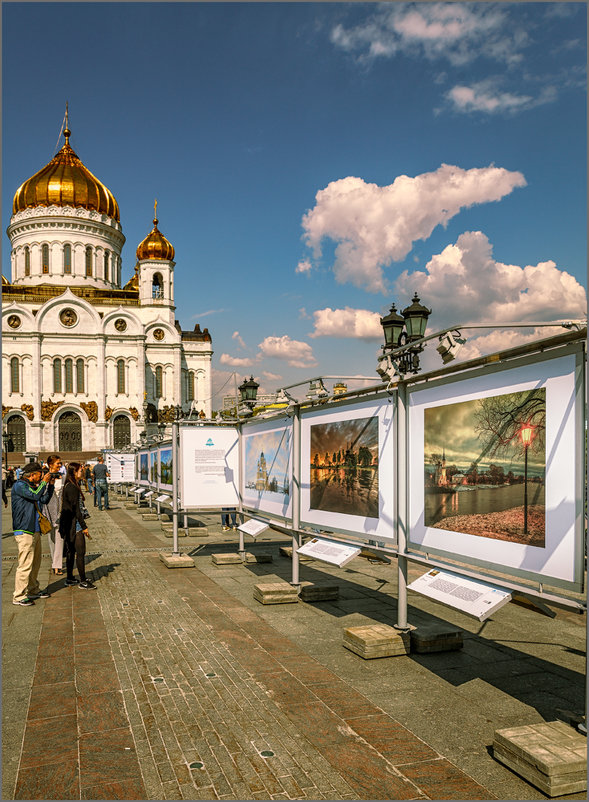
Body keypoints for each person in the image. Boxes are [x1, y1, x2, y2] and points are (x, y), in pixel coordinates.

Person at [11, 461, 56, 606]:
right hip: (24, 529)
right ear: (32, 475)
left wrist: (50, 486)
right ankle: (18, 595)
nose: (41, 477)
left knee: (35, 563)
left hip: (35, 528)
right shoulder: (20, 486)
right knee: (25, 564)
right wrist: (43, 483)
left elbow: (43, 499)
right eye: (40, 475)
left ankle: (33, 589)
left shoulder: (31, 486)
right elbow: (35, 496)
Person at [59, 462, 96, 590]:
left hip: (69, 523)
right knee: (80, 552)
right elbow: (77, 510)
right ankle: (83, 581)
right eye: (80, 471)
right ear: (74, 472)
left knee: (71, 551)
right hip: (75, 524)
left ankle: (69, 578)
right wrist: (84, 526)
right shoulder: (72, 487)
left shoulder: (71, 485)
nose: (83, 472)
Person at [40, 454, 65, 575]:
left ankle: (57, 565)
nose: (60, 465)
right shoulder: (44, 477)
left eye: (60, 463)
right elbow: (42, 493)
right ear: (50, 465)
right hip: (49, 510)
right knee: (51, 539)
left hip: (60, 511)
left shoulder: (63, 477)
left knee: (60, 538)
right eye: (58, 463)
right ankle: (54, 561)